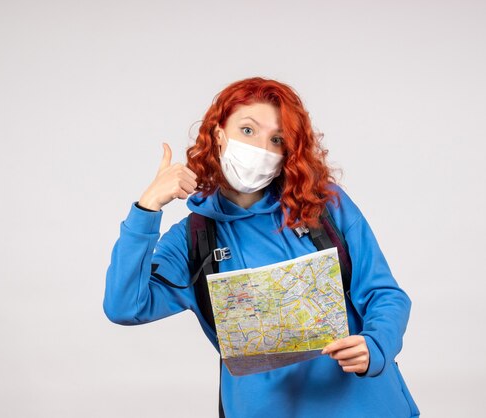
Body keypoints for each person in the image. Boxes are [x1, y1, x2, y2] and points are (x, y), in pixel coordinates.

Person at [103, 77, 420, 417]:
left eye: (277, 139)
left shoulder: (323, 206)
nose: (261, 150)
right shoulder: (194, 238)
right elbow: (125, 306)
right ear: (219, 134)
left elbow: (386, 294)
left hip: (365, 405)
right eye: (248, 131)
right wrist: (147, 208)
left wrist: (376, 346)